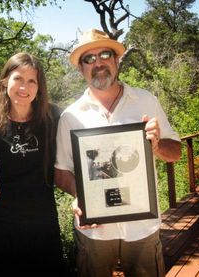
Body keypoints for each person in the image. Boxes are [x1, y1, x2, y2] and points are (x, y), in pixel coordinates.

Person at [54, 29, 182, 277]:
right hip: (95, 230)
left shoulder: (146, 101)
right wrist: (82, 197)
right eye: (89, 59)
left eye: (104, 55)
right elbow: (61, 172)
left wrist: (156, 145)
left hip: (142, 227)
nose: (98, 63)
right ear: (81, 69)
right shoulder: (71, 116)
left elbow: (175, 152)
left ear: (116, 61)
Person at [0, 52, 68, 276]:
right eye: (18, 78)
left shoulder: (54, 118)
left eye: (31, 81)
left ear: (39, 88)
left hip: (42, 221)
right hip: (1, 222)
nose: (23, 86)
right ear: (6, 80)